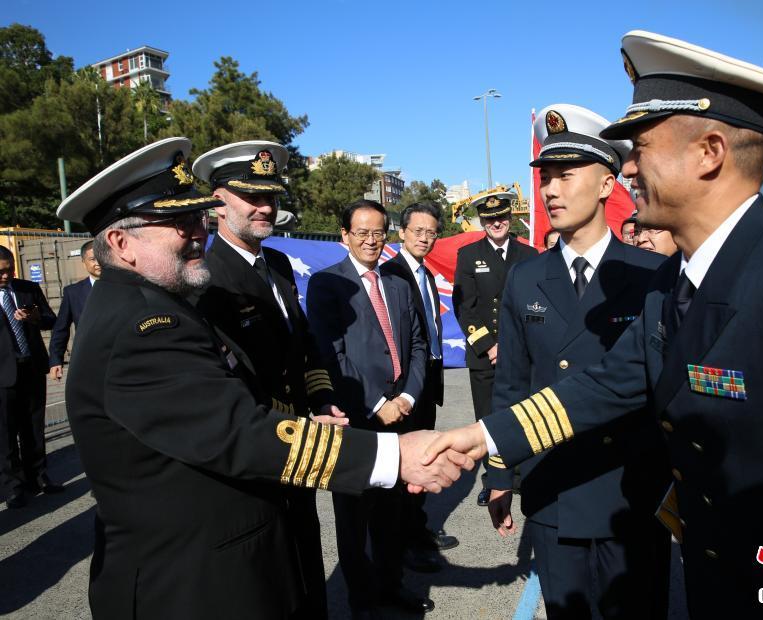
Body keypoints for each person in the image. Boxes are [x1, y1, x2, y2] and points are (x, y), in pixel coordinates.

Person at [425, 31, 763, 618]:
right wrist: (478, 439)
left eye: (641, 148)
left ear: (709, 151)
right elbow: (605, 385)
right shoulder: (674, 285)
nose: (630, 166)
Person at [57, 138, 471, 619]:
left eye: (196, 217)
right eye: (178, 222)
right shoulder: (143, 325)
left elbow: (302, 351)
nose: (197, 232)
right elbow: (237, 430)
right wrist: (394, 455)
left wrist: (321, 401)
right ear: (120, 243)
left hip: (262, 501)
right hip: (190, 577)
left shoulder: (159, 301)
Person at [486, 103, 670, 619]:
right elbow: (512, 383)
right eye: (546, 177)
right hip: (554, 485)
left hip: (628, 488)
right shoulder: (526, 277)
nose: (550, 191)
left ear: (608, 184)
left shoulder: (653, 272)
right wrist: (499, 471)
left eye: (566, 176)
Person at [192, 140, 342, 618]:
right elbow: (230, 381)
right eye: (250, 197)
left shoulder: (275, 263)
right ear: (218, 202)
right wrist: (299, 422)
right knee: (270, 569)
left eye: (271, 197)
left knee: (305, 551)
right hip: (261, 445)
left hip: (300, 438)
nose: (265, 207)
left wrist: (321, 401)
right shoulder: (208, 278)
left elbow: (301, 345)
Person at [306, 200, 433, 618]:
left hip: (401, 416)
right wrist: (376, 402)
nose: (370, 240)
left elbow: (417, 344)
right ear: (344, 235)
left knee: (392, 512)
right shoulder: (327, 285)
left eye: (377, 232)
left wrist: (408, 398)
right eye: (361, 232)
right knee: (354, 517)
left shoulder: (397, 284)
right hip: (358, 420)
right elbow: (333, 354)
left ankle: (390, 586)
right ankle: (362, 599)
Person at [381, 201, 459, 573]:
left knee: (425, 457)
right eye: (418, 231)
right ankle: (404, 542)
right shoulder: (389, 274)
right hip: (405, 387)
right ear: (402, 232)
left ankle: (418, 528)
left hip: (428, 380)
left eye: (431, 232)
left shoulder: (426, 275)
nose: (425, 238)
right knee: (405, 467)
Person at [452, 192, 537, 506]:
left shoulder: (529, 254)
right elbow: (464, 307)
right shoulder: (468, 254)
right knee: (489, 419)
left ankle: (522, 478)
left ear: (510, 218)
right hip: (484, 356)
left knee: (524, 415)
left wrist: (515, 345)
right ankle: (494, 480)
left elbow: (534, 306)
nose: (496, 223)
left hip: (522, 353)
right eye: (489, 219)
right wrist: (489, 345)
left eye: (501, 217)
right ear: (482, 222)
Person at [0, 245, 60, 509]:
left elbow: (50, 319)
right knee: (5, 433)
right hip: (2, 374)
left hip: (32, 367)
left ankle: (39, 476)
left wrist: (36, 317)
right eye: (1, 272)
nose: (7, 275)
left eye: (10, 269)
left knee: (34, 426)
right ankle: (12, 486)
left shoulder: (27, 288)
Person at [48, 240, 99, 382]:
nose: (98, 263)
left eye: (102, 257)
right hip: (89, 360)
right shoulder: (73, 293)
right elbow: (61, 329)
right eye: (93, 259)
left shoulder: (124, 288)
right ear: (84, 262)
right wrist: (56, 360)